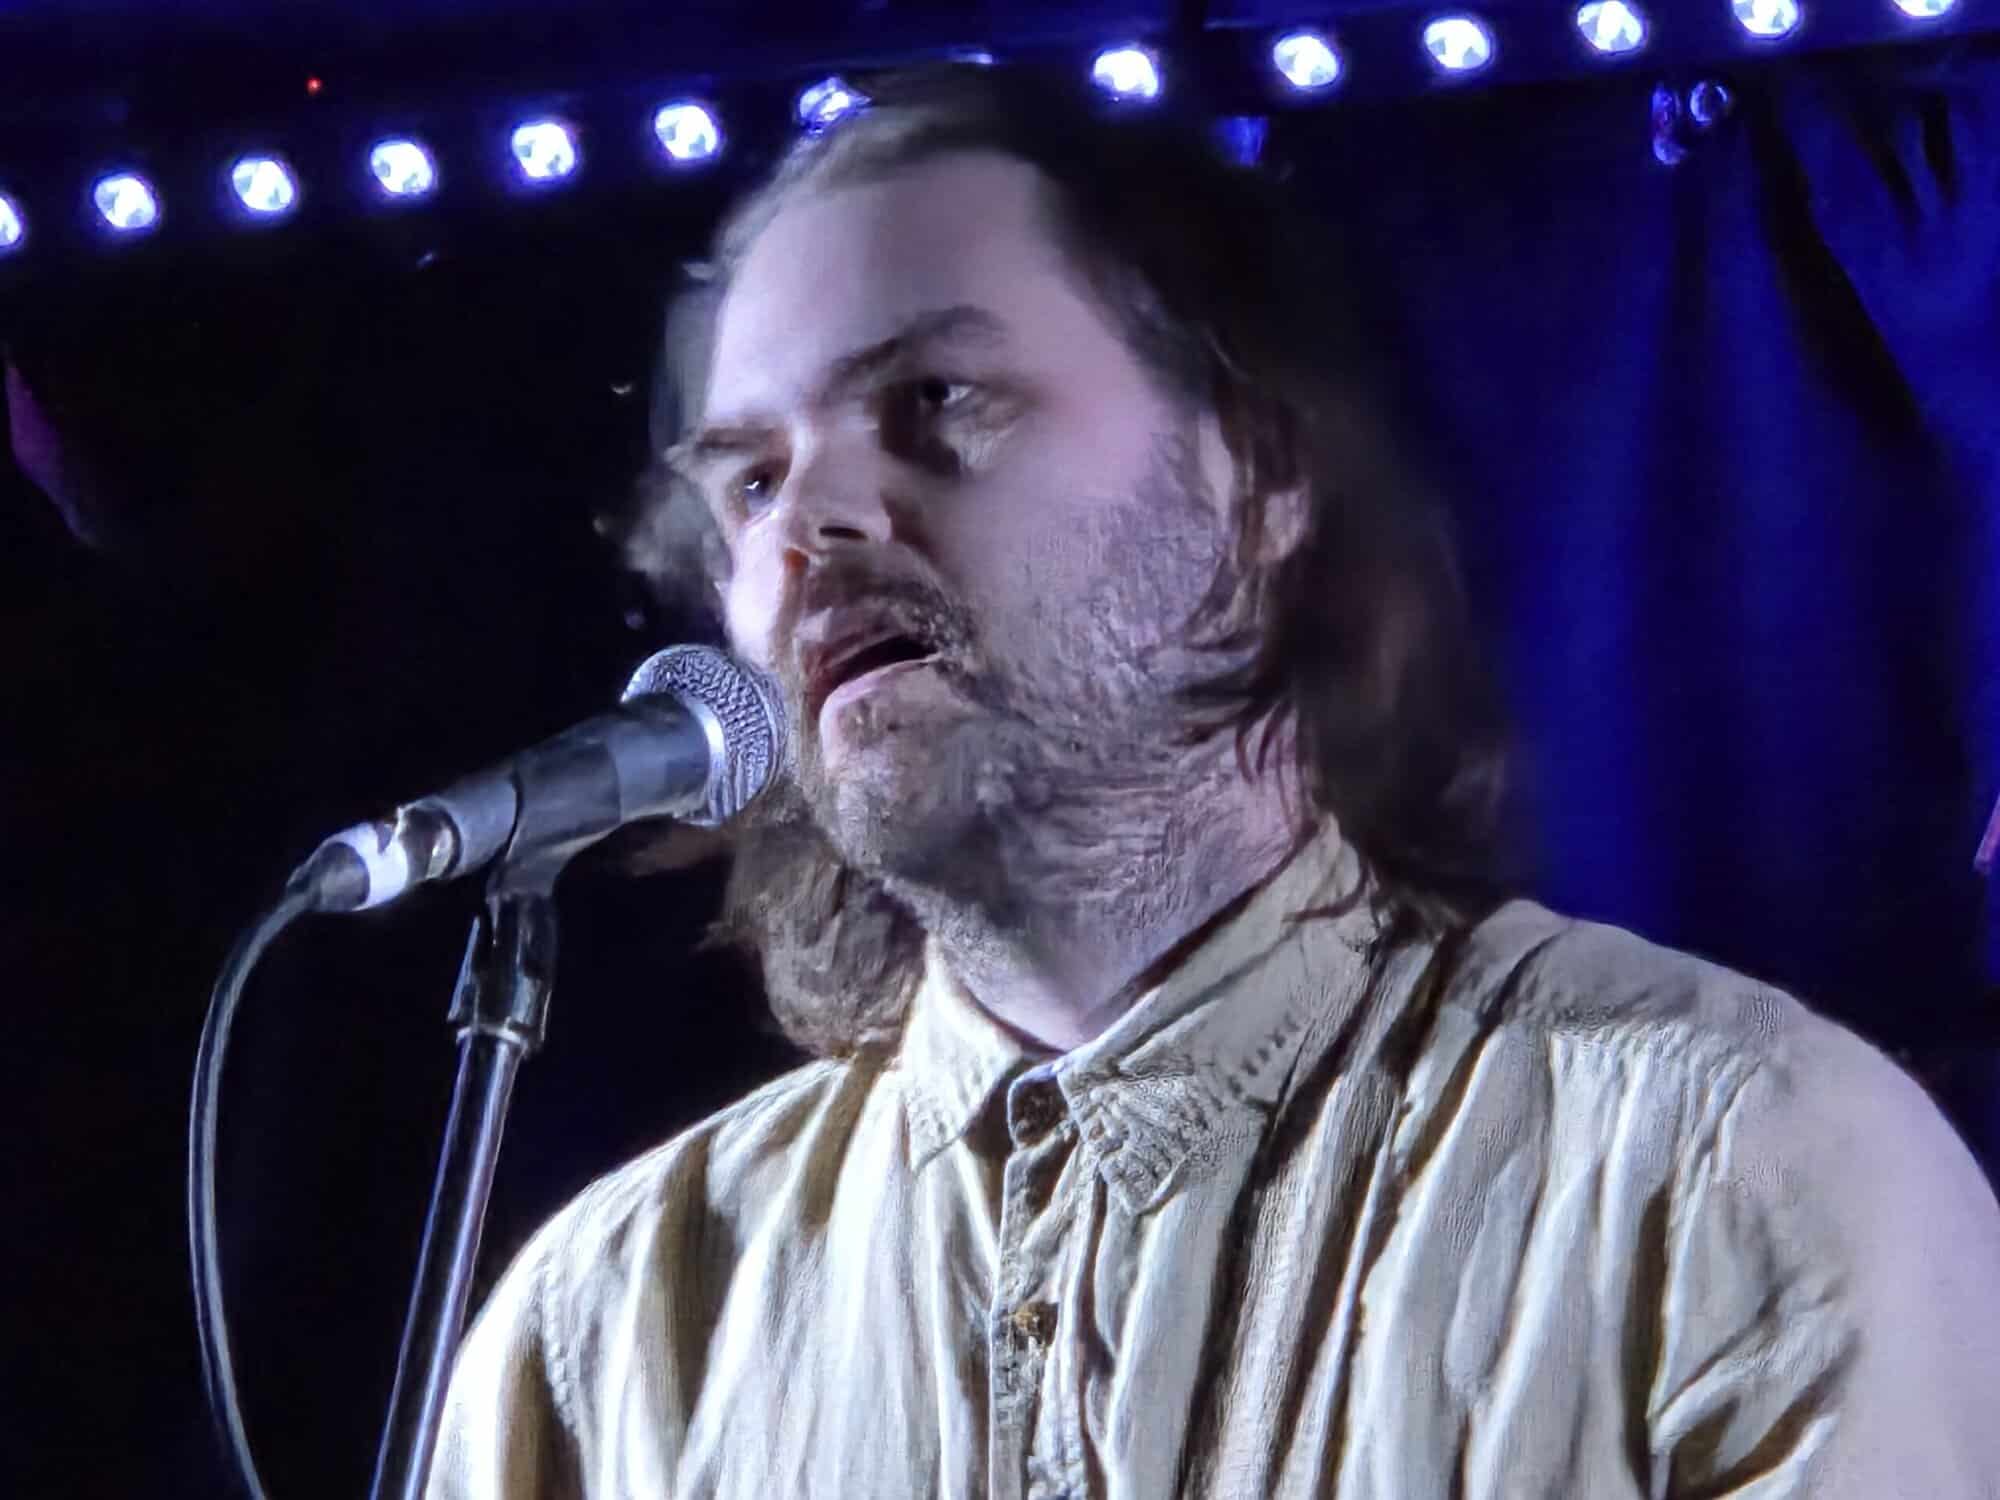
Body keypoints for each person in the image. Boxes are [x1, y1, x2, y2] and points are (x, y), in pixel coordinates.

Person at [429, 64, 2000, 1498]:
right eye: (754, 477)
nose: (808, 522)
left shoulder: (1738, 1169)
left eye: (936, 401)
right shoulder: (604, 1335)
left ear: (1255, 474)